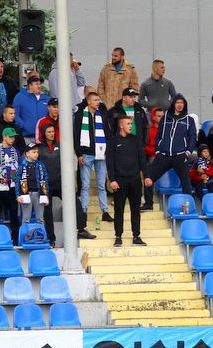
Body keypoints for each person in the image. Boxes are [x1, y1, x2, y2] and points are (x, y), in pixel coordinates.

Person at [38, 124, 93, 242]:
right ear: (44, 134)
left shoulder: (60, 146)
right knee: (47, 211)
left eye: (53, 131)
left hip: (60, 182)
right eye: (49, 132)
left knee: (75, 201)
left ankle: (81, 229)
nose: (51, 134)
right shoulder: (39, 149)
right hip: (45, 184)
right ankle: (51, 238)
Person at [106, 116, 148, 246]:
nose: (131, 126)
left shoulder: (136, 140)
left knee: (136, 210)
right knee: (119, 210)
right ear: (121, 125)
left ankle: (136, 236)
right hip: (119, 181)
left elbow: (142, 159)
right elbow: (110, 162)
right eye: (128, 123)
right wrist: (112, 180)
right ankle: (118, 236)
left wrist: (146, 176)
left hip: (135, 180)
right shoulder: (113, 141)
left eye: (131, 123)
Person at [74, 92, 111, 221]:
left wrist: (107, 151)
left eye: (98, 100)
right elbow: (76, 135)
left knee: (101, 185)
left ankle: (105, 212)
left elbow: (107, 134)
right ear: (88, 101)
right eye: (95, 100)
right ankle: (83, 211)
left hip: (101, 154)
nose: (98, 102)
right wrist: (79, 154)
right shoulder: (80, 115)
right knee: (85, 185)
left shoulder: (103, 115)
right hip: (86, 154)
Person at [150, 94, 195, 196]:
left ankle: (188, 203)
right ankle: (148, 202)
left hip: (180, 156)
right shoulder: (165, 119)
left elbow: (192, 138)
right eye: (177, 102)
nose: (180, 105)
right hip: (163, 156)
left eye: (182, 102)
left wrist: (187, 153)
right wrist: (157, 151)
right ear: (173, 104)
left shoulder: (189, 120)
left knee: (186, 183)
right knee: (149, 178)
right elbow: (159, 135)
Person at [0, 128, 21, 242]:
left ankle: (15, 239)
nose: (13, 139)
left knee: (14, 214)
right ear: (4, 137)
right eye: (10, 136)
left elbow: (19, 168)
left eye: (13, 137)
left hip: (12, 186)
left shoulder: (16, 151)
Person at [16, 142, 49, 226]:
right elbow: (17, 181)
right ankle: (25, 234)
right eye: (34, 152)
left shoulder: (40, 165)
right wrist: (18, 195)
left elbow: (45, 180)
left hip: (39, 193)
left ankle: (41, 234)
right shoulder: (22, 165)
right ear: (27, 154)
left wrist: (46, 195)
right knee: (26, 219)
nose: (36, 154)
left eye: (37, 152)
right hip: (26, 193)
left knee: (40, 219)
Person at [13, 75, 49, 141]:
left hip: (44, 136)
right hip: (27, 137)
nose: (39, 86)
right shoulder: (20, 97)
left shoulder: (46, 99)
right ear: (30, 86)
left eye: (40, 84)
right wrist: (24, 125)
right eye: (36, 84)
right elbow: (15, 114)